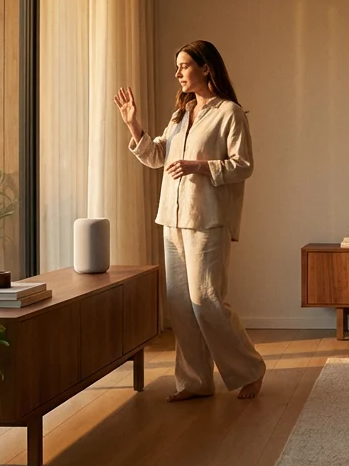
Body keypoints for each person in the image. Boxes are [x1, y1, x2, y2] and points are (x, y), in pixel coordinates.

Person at [114, 40, 266, 401]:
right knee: (181, 305)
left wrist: (200, 166)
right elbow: (155, 158)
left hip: (207, 219)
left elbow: (243, 165)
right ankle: (195, 381)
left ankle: (250, 369)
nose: (178, 73)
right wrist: (134, 126)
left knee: (206, 300)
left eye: (184, 65)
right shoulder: (180, 115)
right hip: (172, 217)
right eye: (177, 67)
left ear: (205, 68)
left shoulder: (230, 113)